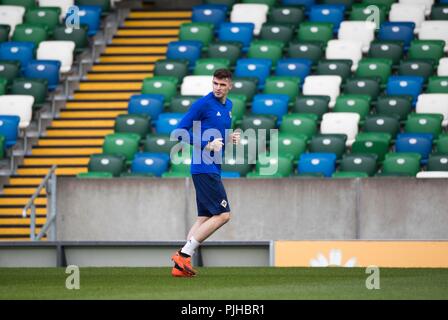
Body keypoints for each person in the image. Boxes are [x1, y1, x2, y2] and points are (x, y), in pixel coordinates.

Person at [171, 69, 240, 277]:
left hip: (212, 168)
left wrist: (229, 139)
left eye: (222, 84)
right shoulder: (203, 103)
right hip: (203, 167)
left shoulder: (228, 106)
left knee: (204, 217)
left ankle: (179, 266)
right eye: (215, 83)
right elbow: (178, 132)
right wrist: (206, 145)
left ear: (230, 86)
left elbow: (217, 134)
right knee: (223, 215)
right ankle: (183, 255)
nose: (218, 88)